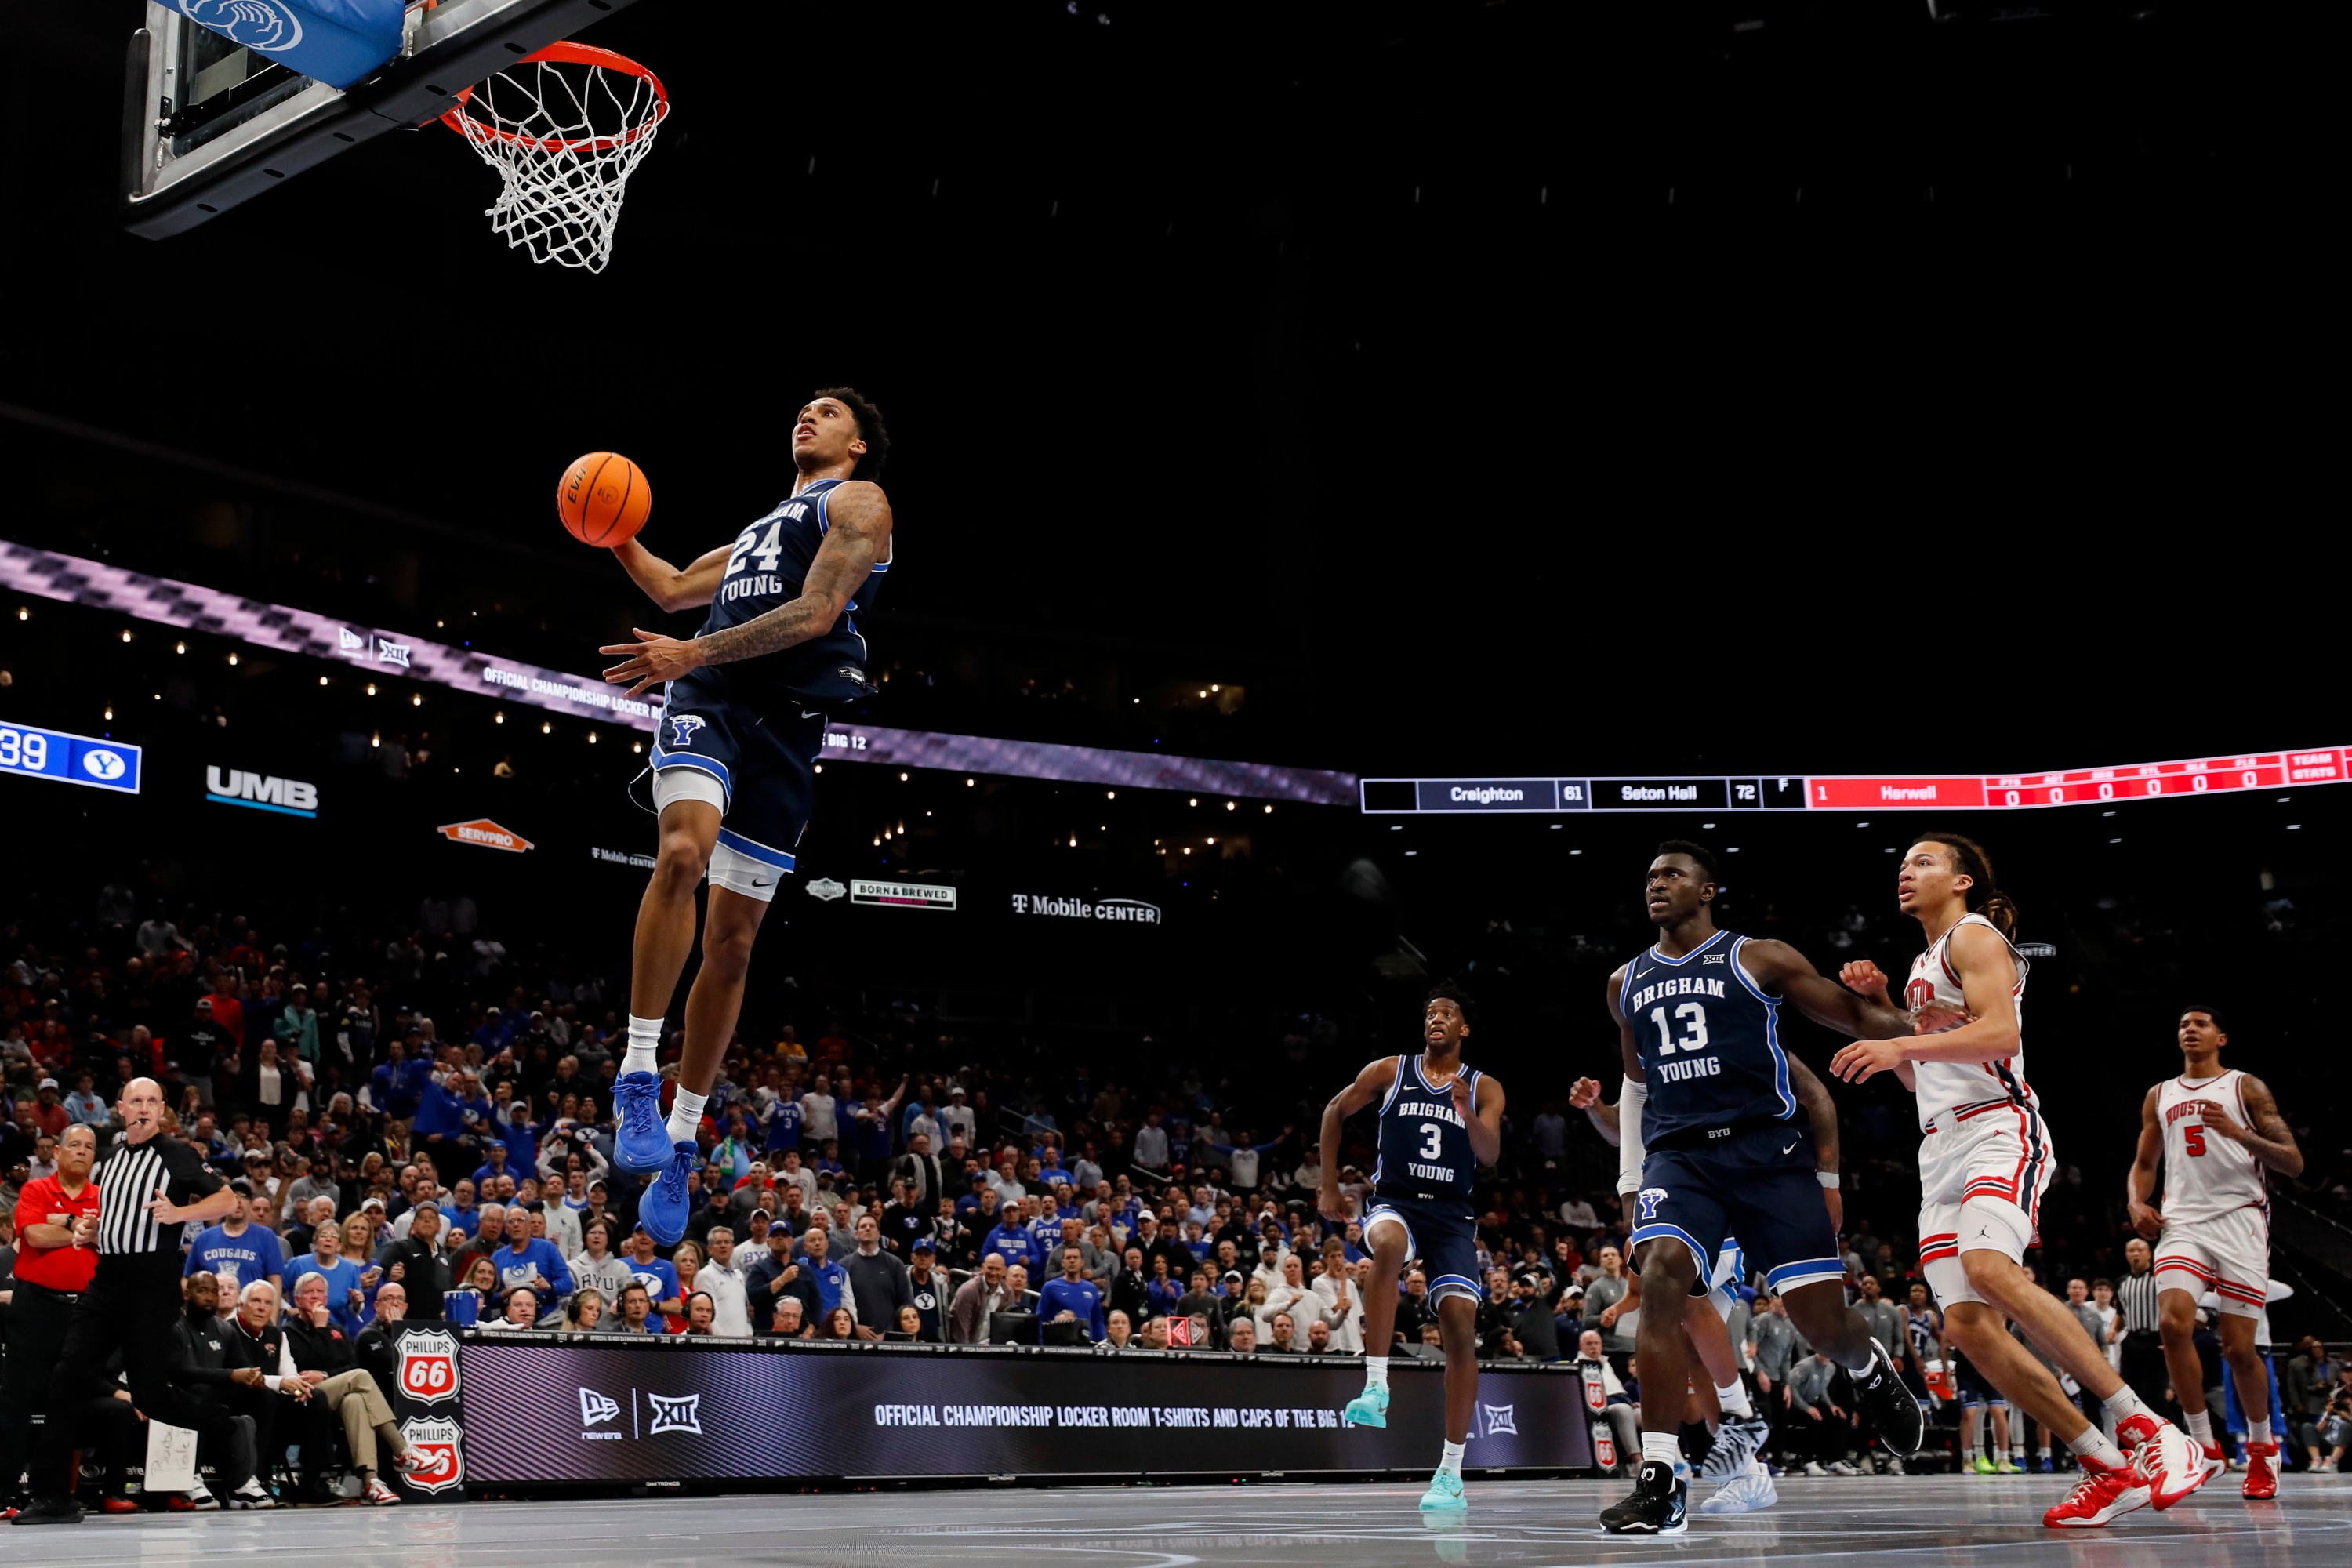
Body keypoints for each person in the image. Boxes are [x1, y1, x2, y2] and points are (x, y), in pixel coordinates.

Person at [1835, 832, 2205, 1526]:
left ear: (1964, 880)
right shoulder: (1921, 963)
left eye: (1923, 862)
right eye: (1902, 863)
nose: (1905, 873)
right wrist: (1891, 1009)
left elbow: (2001, 1035)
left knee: (1990, 1269)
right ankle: (2104, 1463)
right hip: (1939, 1146)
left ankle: (2149, 1429)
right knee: (1969, 1327)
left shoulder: (1975, 938)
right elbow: (1925, 1074)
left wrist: (1897, 1039)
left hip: (1997, 1129)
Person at [597, 390, 898, 1246]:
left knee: (732, 942)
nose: (808, 415)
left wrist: (692, 644)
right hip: (714, 696)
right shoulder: (761, 530)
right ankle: (635, 1070)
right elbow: (664, 583)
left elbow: (817, 612)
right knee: (682, 853)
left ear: (858, 442)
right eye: (804, 407)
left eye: (829, 411)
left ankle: (684, 1135)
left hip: (789, 723)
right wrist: (606, 520)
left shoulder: (860, 503)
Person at [1598, 844, 1922, 1536]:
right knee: (1662, 1280)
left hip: (1768, 1154)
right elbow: (1634, 1087)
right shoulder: (1625, 980)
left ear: (1709, 888)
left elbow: (1871, 1027)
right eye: (1650, 876)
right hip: (1681, 1159)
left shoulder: (1760, 958)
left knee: (1821, 1325)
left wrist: (1885, 1002)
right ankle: (1659, 1478)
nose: (1657, 884)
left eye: (1673, 875)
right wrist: (1632, 1182)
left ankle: (1867, 1366)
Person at [15, 1078, 241, 1526]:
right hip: (106, 1282)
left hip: (151, 1284)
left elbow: (227, 1199)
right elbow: (115, 1223)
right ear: (120, 1108)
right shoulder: (112, 1160)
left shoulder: (175, 1153)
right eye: (135, 1101)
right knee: (66, 1378)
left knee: (152, 1396)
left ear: (160, 1111)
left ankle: (227, 1427)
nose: (142, 1108)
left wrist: (179, 1213)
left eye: (151, 1102)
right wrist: (91, 1232)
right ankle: (53, 1496)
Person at [1319, 982, 1507, 1512]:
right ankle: (1376, 1386)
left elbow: (1489, 1154)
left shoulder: (1485, 1086)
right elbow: (1335, 1109)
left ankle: (1450, 1472)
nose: (1437, 1019)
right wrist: (1330, 1185)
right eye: (1431, 1014)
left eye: (1448, 1013)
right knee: (1385, 1248)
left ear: (1464, 1028)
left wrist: (1468, 1113)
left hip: (1451, 1217)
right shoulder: (1390, 1070)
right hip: (1397, 1199)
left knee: (1461, 1331)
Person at [2127, 1005, 2302, 1499]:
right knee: (2172, 1325)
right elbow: (2144, 1161)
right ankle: (2205, 1448)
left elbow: (2293, 1162)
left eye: (2200, 1024)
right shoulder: (2159, 1095)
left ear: (2221, 1037)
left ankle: (2263, 1449)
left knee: (2240, 1351)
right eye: (2183, 1023)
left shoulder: (2246, 1088)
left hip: (2241, 1219)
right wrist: (2136, 1200)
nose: (2189, 1029)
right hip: (2182, 1221)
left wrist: (2239, 1133)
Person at [0, 1123, 101, 1512]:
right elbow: (35, 1237)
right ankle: (5, 1487)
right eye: (73, 1144)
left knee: (68, 1403)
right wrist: (80, 1229)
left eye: (89, 1147)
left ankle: (52, 1492)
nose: (81, 1151)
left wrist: (59, 1223)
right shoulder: (36, 1189)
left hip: (84, 1311)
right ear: (56, 1153)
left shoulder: (103, 1197)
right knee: (17, 1399)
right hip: (36, 1304)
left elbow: (110, 1240)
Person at [281, 1271, 418, 1505]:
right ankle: (401, 1449)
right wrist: (321, 1330)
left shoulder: (338, 1331)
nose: (315, 1297)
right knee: (361, 1377)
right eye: (309, 1292)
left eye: (320, 1291)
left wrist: (326, 1374)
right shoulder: (288, 1332)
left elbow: (349, 1366)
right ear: (298, 1300)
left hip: (333, 1402)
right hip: (303, 1399)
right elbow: (305, 1368)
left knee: (355, 1400)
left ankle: (371, 1482)